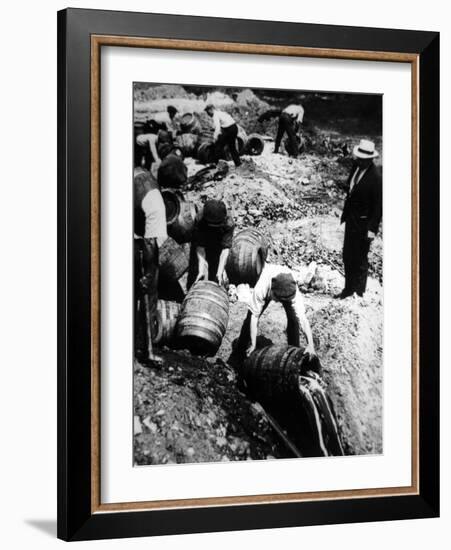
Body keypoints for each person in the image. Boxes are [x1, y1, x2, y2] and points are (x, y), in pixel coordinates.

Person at [235, 264, 316, 358]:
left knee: (294, 320)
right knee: (249, 318)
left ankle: (293, 353)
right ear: (272, 293)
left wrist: (311, 345)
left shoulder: (294, 293)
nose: (280, 302)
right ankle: (240, 349)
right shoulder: (261, 288)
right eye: (279, 299)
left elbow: (303, 320)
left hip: (285, 283)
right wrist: (253, 344)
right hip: (268, 280)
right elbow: (254, 316)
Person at [337, 139, 382, 298]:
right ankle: (348, 289)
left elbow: (378, 206)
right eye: (359, 158)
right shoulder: (356, 166)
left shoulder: (376, 178)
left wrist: (372, 229)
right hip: (351, 219)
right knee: (348, 255)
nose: (359, 161)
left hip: (364, 224)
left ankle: (359, 292)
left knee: (361, 258)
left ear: (370, 159)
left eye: (363, 159)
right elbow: (352, 187)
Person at [134, 167, 168, 363]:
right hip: (136, 241)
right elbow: (150, 242)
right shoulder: (155, 200)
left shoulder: (139, 173)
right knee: (150, 289)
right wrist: (149, 273)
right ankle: (146, 350)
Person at [187, 199, 235, 289]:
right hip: (204, 240)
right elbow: (200, 246)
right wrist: (201, 269)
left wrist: (220, 272)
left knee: (216, 275)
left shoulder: (229, 223)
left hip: (218, 243)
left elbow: (225, 249)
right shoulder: (200, 219)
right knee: (198, 274)